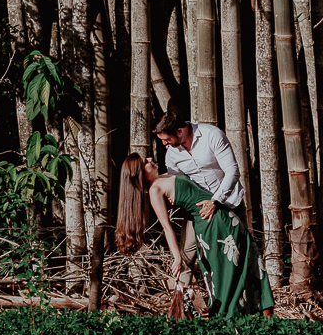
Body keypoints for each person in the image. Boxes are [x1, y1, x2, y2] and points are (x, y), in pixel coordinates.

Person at [115, 152, 274, 319]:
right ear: (140, 172)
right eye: (145, 161)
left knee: (246, 257)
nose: (150, 159)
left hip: (221, 216)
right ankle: (231, 317)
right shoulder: (155, 190)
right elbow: (167, 228)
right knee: (225, 268)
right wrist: (177, 258)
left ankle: (260, 311)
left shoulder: (163, 177)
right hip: (210, 224)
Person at [152, 104, 245, 305]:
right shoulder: (172, 153)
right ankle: (180, 304)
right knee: (186, 255)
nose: (165, 144)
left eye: (167, 139)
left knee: (237, 254)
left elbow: (232, 171)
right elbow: (177, 183)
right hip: (197, 211)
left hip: (228, 203)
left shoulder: (211, 135)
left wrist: (215, 201)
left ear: (179, 131)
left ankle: (241, 304)